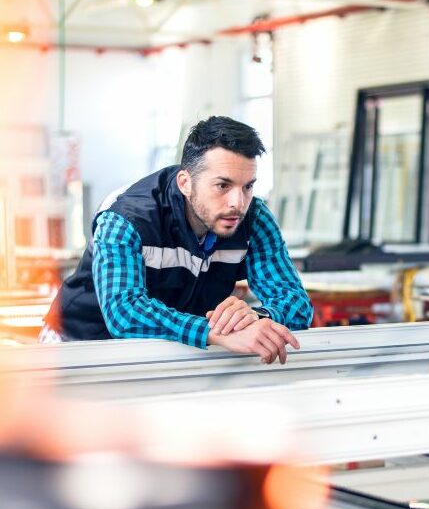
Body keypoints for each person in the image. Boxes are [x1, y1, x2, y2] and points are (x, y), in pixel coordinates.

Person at [42, 116, 313, 365]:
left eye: (248, 186)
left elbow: (296, 303)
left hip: (172, 346)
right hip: (79, 345)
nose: (237, 202)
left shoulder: (254, 217)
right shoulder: (125, 217)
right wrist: (213, 331)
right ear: (185, 183)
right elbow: (124, 313)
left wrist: (255, 317)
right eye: (223, 186)